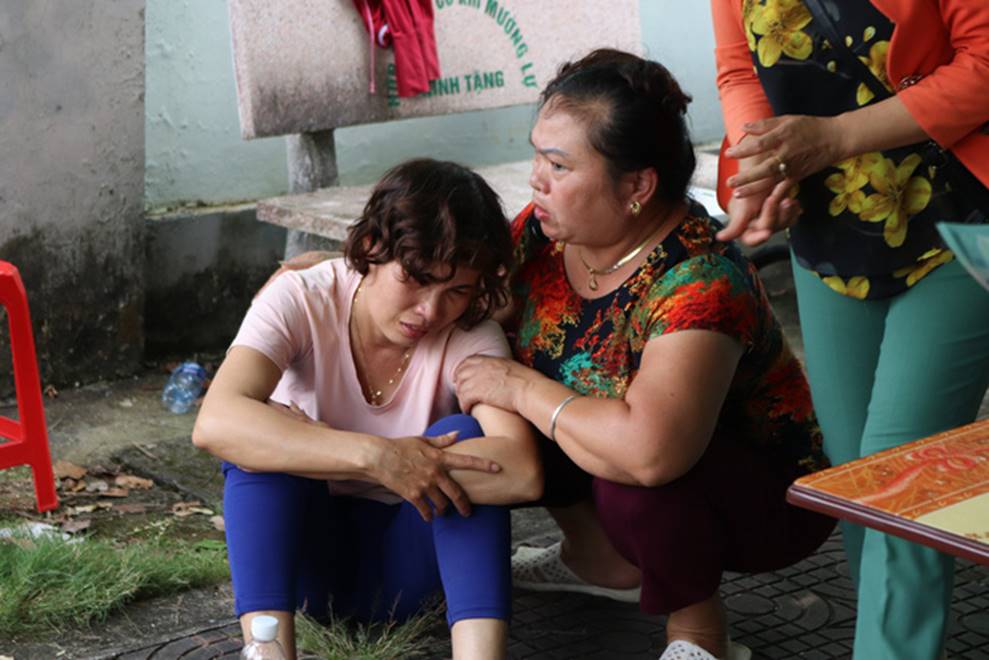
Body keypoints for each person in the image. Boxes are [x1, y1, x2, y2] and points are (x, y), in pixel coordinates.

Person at [451, 49, 836, 660]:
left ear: (637, 185)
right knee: (480, 385)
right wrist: (343, 281)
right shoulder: (549, 233)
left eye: (559, 164)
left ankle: (700, 634)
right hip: (629, 459)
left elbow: (652, 455)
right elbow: (462, 291)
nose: (536, 179)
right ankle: (597, 561)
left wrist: (520, 387)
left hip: (760, 498)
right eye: (537, 156)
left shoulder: (698, 280)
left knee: (629, 466)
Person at [711, 1, 989, 657]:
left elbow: (983, 64)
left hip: (959, 217)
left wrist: (833, 138)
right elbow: (739, 70)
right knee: (857, 480)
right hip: (829, 233)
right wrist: (760, 171)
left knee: (903, 478)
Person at [192, 159, 542, 660]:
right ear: (373, 248)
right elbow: (215, 422)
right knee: (262, 433)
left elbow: (522, 471)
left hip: (412, 567)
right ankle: (267, 652)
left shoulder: (469, 332)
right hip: (309, 565)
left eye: (457, 290)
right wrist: (379, 457)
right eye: (417, 279)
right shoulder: (303, 297)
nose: (431, 310)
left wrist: (395, 463)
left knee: (465, 435)